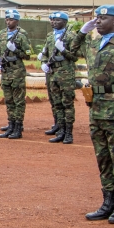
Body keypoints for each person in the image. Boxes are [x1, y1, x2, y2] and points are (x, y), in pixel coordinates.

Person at [71, 5, 114, 224]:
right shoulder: (93, 43)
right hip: (97, 106)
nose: (98, 22)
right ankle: (107, 202)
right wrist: (81, 32)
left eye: (103, 18)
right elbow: (70, 52)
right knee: (103, 157)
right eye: (97, 18)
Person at [0, 9, 33, 140]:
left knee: (18, 101)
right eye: (7, 19)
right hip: (5, 71)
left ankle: (18, 127)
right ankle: (11, 124)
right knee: (8, 100)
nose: (9, 22)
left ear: (17, 21)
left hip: (17, 71)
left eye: (12, 20)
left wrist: (16, 50)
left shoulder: (21, 35)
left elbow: (27, 55)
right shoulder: (2, 34)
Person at [39, 12, 77, 144]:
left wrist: (64, 50)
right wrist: (44, 63)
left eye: (58, 20)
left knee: (67, 104)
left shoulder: (71, 37)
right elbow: (45, 53)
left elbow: (75, 56)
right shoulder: (50, 37)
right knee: (57, 103)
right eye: (53, 20)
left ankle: (68, 133)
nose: (54, 22)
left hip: (66, 74)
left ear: (65, 22)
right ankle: (60, 130)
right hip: (53, 74)